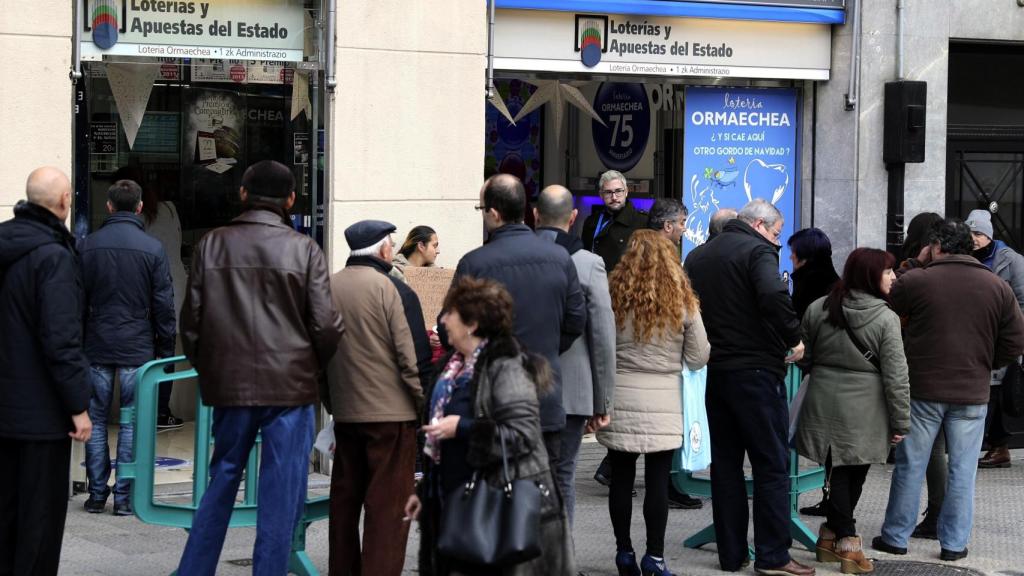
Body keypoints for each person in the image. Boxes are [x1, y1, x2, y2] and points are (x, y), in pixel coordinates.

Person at [177, 160, 344, 575]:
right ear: (290, 200)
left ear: (243, 194)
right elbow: (327, 326)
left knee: (221, 481)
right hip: (290, 388)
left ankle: (194, 570)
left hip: (230, 386)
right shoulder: (304, 249)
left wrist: (211, 370)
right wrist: (310, 368)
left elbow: (192, 323)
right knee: (282, 492)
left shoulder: (212, 244)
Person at [872, 218, 1024, 563]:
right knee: (963, 470)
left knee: (911, 464)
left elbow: (887, 318)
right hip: (972, 389)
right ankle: (953, 545)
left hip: (923, 386)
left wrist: (920, 262)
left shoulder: (916, 282)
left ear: (936, 247)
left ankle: (896, 536)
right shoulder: (995, 286)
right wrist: (986, 362)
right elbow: (1015, 340)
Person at [406, 276, 574, 575]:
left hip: (491, 510)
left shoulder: (506, 367)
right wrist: (425, 493)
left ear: (471, 324)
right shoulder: (450, 367)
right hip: (450, 505)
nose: (442, 320)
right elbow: (439, 445)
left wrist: (465, 428)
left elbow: (521, 436)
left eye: (450, 313)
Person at [686, 199, 814, 576]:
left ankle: (732, 554)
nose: (777, 241)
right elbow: (774, 296)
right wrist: (794, 337)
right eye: (776, 233)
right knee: (770, 465)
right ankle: (774, 556)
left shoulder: (698, 256)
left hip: (714, 373)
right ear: (760, 224)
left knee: (725, 465)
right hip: (756, 372)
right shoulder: (758, 251)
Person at [448, 174, 586, 473]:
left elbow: (451, 326)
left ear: (494, 213)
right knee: (542, 499)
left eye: (481, 208)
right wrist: (547, 346)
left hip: (491, 400)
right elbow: (576, 320)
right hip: (545, 396)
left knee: (495, 502)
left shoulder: (475, 263)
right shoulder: (560, 257)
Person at [597, 230, 710, 576]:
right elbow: (698, 355)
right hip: (664, 401)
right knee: (658, 482)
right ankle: (655, 558)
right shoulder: (683, 301)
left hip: (621, 396)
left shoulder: (613, 296)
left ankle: (624, 553)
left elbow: (601, 346)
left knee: (621, 479)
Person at [0, 167, 93, 576]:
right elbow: (61, 340)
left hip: (5, 409)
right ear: (63, 202)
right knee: (39, 522)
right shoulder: (53, 256)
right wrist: (78, 406)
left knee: (6, 515)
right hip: (39, 416)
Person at [325, 220, 431, 576]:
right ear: (386, 250)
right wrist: (422, 409)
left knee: (344, 502)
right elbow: (412, 357)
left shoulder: (326, 287)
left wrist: (332, 403)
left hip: (346, 413)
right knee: (387, 510)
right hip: (392, 417)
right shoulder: (394, 290)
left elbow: (317, 356)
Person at [796, 248, 910, 574]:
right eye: (887, 271)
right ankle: (847, 542)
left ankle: (830, 536)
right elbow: (896, 375)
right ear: (871, 276)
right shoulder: (886, 318)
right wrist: (901, 420)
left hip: (821, 401)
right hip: (865, 408)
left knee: (836, 469)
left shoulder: (819, 308)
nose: (893, 277)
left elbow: (804, 354)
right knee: (851, 473)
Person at [79, 179, 176, 516]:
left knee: (96, 418)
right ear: (139, 208)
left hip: (97, 345)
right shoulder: (152, 249)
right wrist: (166, 349)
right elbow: (164, 305)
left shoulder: (87, 246)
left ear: (109, 206)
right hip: (138, 347)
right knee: (133, 421)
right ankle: (124, 497)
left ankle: (95, 494)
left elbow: (75, 302)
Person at [534, 185, 616, 525]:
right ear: (573, 217)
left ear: (536, 215)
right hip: (572, 390)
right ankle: (559, 558)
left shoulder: (514, 255)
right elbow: (602, 336)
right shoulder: (589, 264)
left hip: (520, 387)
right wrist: (603, 402)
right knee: (563, 476)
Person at [896, 212, 946, 540]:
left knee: (919, 453)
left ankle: (913, 522)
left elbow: (896, 319)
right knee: (939, 452)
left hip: (919, 368)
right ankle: (942, 516)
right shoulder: (961, 270)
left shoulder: (910, 274)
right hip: (955, 371)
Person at [127, 166, 188, 430]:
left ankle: (137, 411)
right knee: (165, 354)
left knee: (140, 354)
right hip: (173, 288)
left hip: (142, 291)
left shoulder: (134, 217)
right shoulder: (171, 210)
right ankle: (162, 412)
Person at [966, 208, 1024, 469]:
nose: (974, 238)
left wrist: (1009, 330)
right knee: (991, 392)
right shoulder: (965, 258)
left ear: (989, 235)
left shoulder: (1012, 261)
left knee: (996, 393)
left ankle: (987, 447)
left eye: (978, 233)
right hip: (976, 337)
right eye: (970, 233)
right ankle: (998, 447)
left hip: (1001, 338)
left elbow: (1022, 302)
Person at [580, 170, 648, 272]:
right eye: (608, 192)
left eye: (618, 191)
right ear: (601, 195)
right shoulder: (591, 222)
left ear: (626, 192)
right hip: (597, 282)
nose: (614, 197)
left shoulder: (642, 221)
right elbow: (585, 257)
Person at [788, 228, 840, 321]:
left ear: (804, 253)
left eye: (793, 252)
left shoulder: (808, 286)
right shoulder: (833, 280)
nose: (790, 257)